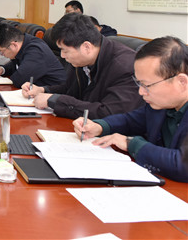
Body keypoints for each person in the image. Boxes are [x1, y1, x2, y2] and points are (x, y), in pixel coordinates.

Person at [73, 36, 188, 183]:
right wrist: (100, 126)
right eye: (139, 83)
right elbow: (131, 121)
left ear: (182, 82)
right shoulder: (161, 104)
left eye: (147, 85)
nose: (141, 92)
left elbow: (183, 165)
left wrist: (131, 144)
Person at [22, 13, 142, 119]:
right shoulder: (81, 60)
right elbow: (70, 89)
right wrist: (43, 90)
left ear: (86, 47)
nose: (62, 55)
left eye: (65, 50)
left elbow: (108, 113)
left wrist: (56, 101)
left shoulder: (125, 67)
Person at [0, 24, 66, 88]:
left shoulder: (36, 51)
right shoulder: (23, 43)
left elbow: (18, 80)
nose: (2, 55)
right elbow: (16, 66)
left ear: (13, 45)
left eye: (1, 52)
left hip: (54, 95)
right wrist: (2, 69)